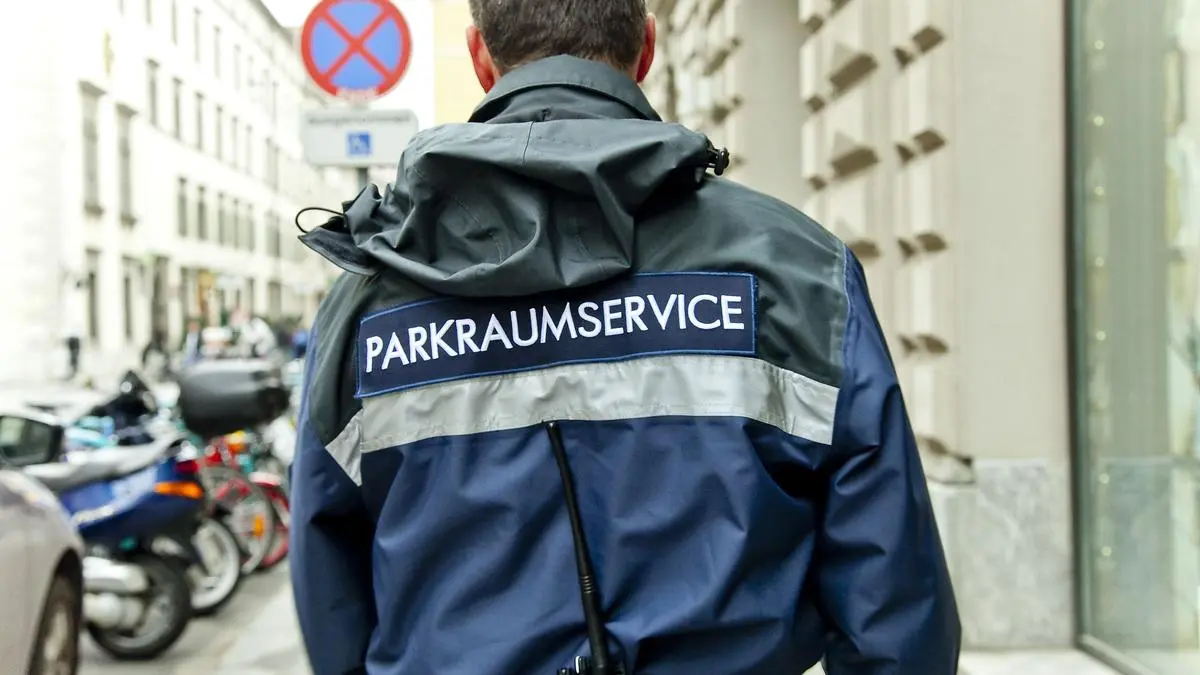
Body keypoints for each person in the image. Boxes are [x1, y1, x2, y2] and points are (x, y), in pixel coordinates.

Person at [290, 1, 961, 673]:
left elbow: (333, 598)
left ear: (480, 58)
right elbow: (893, 603)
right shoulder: (796, 268)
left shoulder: (368, 301)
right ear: (646, 48)